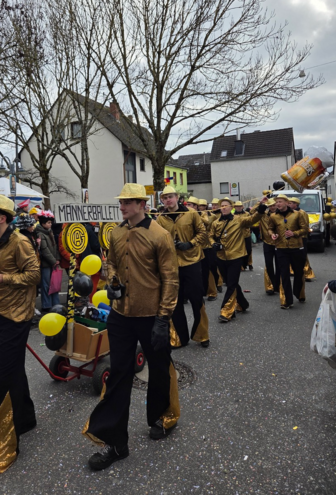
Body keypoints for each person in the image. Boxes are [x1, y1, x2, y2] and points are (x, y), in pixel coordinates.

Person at [83, 184, 179, 471]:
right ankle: (115, 443)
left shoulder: (160, 235)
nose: (122, 206)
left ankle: (162, 416)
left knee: (159, 368)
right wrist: (112, 280)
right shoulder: (116, 232)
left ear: (141, 204)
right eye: (121, 202)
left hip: (151, 315)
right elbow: (111, 262)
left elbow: (171, 279)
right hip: (120, 315)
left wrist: (163, 319)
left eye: (127, 202)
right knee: (119, 374)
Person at [0, 194, 41, 475]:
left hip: (17, 317)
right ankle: (25, 419)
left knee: (4, 376)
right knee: (13, 370)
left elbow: (34, 275)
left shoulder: (20, 242)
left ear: (1, 218)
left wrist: (2, 278)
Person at [157, 185, 209, 348]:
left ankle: (202, 334)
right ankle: (179, 337)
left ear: (177, 198)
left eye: (170, 197)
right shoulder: (160, 219)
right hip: (172, 265)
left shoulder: (191, 213)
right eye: (165, 198)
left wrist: (190, 244)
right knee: (175, 302)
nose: (168, 200)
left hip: (192, 261)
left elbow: (202, 233)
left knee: (196, 299)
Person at [210, 197, 267, 322]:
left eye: (226, 205)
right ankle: (243, 303)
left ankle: (226, 312)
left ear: (231, 207)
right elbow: (210, 236)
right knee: (231, 282)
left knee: (231, 284)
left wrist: (261, 209)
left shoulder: (239, 220)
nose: (224, 207)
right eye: (222, 206)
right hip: (221, 257)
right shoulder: (215, 223)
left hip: (236, 256)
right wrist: (213, 244)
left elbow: (252, 219)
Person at [268, 194, 309, 309]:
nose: (278, 204)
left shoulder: (297, 214)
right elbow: (270, 228)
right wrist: (272, 234)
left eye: (280, 202)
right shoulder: (273, 216)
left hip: (296, 248)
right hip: (281, 248)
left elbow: (305, 229)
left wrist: (294, 233)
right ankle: (287, 301)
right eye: (276, 202)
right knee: (284, 274)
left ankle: (298, 292)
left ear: (287, 203)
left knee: (298, 272)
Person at [35, 210, 59, 313]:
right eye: (48, 223)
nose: (50, 224)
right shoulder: (40, 234)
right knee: (46, 285)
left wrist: (57, 259)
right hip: (45, 264)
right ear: (43, 223)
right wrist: (54, 261)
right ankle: (46, 305)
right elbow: (44, 250)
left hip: (53, 262)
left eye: (50, 222)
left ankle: (55, 303)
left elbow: (54, 246)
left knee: (54, 284)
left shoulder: (49, 232)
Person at [289, 197, 315, 284]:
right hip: (291, 237)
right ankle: (293, 270)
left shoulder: (302, 212)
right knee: (291, 255)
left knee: (303, 256)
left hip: (301, 237)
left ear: (296, 204)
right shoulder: (289, 213)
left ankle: (308, 274)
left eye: (290, 203)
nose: (289, 204)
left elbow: (305, 226)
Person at [259, 198, 280, 295]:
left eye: (274, 205)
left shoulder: (281, 214)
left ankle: (278, 285)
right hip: (267, 242)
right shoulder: (263, 215)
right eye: (270, 206)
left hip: (279, 243)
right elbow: (252, 212)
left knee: (279, 265)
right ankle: (270, 286)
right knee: (268, 265)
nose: (272, 207)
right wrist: (260, 203)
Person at [233, 202, 253, 270]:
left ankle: (249, 263)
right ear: (235, 207)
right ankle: (242, 264)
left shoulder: (246, 214)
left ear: (242, 207)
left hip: (246, 234)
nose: (238, 207)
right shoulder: (233, 215)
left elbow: (250, 222)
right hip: (237, 236)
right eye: (237, 206)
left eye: (240, 206)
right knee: (239, 251)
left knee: (249, 250)